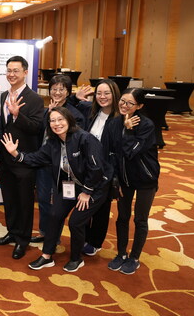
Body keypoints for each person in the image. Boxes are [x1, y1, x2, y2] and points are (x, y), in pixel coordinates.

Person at [2, 107, 107, 272]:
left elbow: (97, 168)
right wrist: (16, 153)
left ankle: (76, 258)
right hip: (68, 187)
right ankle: (46, 256)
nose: (57, 124)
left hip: (93, 188)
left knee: (75, 223)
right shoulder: (52, 143)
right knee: (54, 215)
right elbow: (35, 158)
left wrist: (87, 192)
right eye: (52, 120)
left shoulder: (85, 138)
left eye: (60, 119)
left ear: (69, 120)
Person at [0, 56, 43, 260]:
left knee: (24, 203)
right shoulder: (5, 94)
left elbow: (36, 128)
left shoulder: (35, 99)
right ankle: (12, 233)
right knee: (10, 200)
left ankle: (23, 240)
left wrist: (16, 115)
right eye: (9, 70)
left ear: (25, 72)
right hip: (5, 160)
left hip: (24, 160)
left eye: (16, 71)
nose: (11, 74)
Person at [108, 88, 160, 275]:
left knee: (140, 219)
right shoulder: (114, 123)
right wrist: (114, 178)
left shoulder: (146, 125)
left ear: (139, 106)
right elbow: (112, 152)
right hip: (124, 178)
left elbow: (131, 151)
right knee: (122, 216)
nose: (124, 105)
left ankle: (134, 257)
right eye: (122, 101)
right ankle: (121, 253)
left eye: (130, 103)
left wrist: (129, 131)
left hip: (146, 178)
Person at [69, 79, 120, 256]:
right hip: (87, 168)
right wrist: (76, 98)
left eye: (107, 93)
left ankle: (95, 241)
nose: (102, 97)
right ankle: (85, 236)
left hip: (106, 172)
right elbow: (69, 107)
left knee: (101, 208)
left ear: (114, 95)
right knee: (85, 205)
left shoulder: (119, 119)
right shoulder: (91, 112)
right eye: (99, 93)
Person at [33, 74, 86, 243]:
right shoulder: (45, 111)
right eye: (53, 89)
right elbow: (39, 133)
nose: (56, 92)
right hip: (43, 162)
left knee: (57, 203)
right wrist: (47, 116)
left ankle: (54, 237)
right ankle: (44, 231)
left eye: (61, 89)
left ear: (68, 92)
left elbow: (76, 140)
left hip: (62, 165)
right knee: (42, 198)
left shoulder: (75, 115)